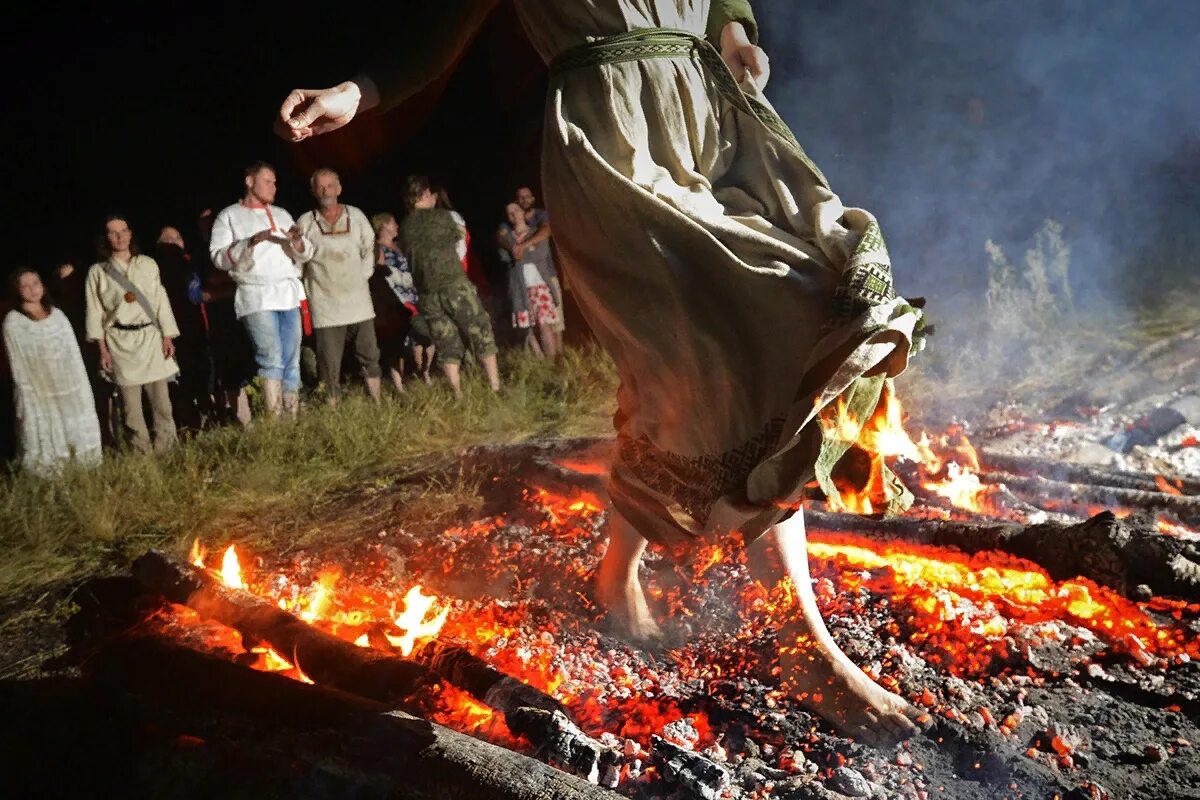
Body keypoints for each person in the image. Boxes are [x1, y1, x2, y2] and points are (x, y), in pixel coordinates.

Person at [277, 0, 927, 743]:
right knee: (749, 346)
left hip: (706, 114)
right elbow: (445, 22)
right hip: (610, 136)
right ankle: (800, 643)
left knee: (699, 360)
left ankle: (615, 576)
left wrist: (735, 33)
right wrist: (355, 93)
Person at [208, 162, 313, 418]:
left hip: (287, 293)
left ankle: (292, 419)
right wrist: (249, 242)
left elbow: (304, 253)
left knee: (291, 358)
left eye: (275, 182)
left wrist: (297, 240)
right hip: (257, 295)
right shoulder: (229, 216)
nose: (273, 187)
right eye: (268, 181)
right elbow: (218, 257)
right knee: (271, 357)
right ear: (249, 181)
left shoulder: (281, 214)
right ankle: (274, 421)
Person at [396, 175, 501, 397]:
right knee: (480, 330)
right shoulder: (443, 218)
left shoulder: (404, 228)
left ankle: (457, 394)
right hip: (454, 285)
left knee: (446, 342)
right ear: (425, 194)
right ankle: (494, 387)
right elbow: (458, 242)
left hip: (427, 294)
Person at [85, 215, 180, 453]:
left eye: (123, 231)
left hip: (149, 337)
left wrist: (167, 335)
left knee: (162, 404)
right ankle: (141, 455)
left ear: (130, 234)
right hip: (119, 342)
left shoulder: (147, 264)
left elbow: (160, 300)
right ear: (105, 238)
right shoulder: (98, 272)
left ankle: (167, 450)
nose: (119, 236)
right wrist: (102, 349)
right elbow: (95, 311)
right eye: (113, 232)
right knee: (131, 408)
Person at [3, 268, 102, 475]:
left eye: (36, 283)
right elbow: (18, 361)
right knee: (47, 428)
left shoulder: (58, 316)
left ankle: (81, 466)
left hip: (67, 384)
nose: (32, 289)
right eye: (26, 285)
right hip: (38, 387)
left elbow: (72, 353)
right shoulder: (14, 322)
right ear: (17, 290)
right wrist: (28, 391)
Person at [296, 169, 381, 404]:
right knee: (328, 363)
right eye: (321, 187)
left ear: (339, 188)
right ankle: (333, 411)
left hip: (358, 301)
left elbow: (370, 247)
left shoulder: (355, 215)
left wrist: (362, 277)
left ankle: (377, 402)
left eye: (330, 185)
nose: (326, 191)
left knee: (369, 354)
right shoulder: (306, 221)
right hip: (325, 304)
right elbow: (297, 262)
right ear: (313, 191)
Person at [154, 225, 213, 429]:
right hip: (173, 334)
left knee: (205, 375)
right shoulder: (155, 271)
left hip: (200, 328)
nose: (174, 244)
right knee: (181, 382)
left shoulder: (191, 263)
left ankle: (211, 417)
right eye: (167, 241)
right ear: (159, 246)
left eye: (177, 238)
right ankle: (188, 425)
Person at [371, 211, 435, 391]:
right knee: (398, 343)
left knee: (427, 335)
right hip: (396, 299)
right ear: (383, 226)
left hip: (415, 295)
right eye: (393, 223)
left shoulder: (401, 246)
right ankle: (400, 385)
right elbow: (382, 276)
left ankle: (424, 371)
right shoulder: (377, 250)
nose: (397, 226)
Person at [500, 201, 562, 361]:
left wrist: (521, 251)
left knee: (544, 324)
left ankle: (552, 360)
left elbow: (541, 255)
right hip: (520, 287)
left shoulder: (536, 233)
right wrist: (526, 250)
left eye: (516, 210)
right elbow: (505, 257)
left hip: (538, 285)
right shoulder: (507, 238)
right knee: (526, 327)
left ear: (522, 213)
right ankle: (540, 359)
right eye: (509, 212)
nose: (514, 214)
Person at [512, 185, 565, 351]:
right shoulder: (515, 224)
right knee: (539, 324)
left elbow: (546, 230)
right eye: (521, 197)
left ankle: (560, 357)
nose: (525, 200)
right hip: (529, 282)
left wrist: (523, 245)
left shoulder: (541, 216)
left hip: (547, 274)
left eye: (528, 196)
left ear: (533, 198)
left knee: (556, 321)